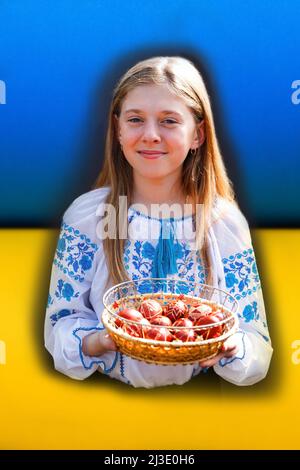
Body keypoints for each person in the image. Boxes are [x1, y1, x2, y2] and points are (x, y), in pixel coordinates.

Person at [44, 56, 273, 388]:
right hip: (107, 408)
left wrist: (234, 345)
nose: (150, 135)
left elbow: (256, 343)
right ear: (117, 130)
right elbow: (60, 325)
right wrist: (104, 340)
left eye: (169, 121)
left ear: (198, 134)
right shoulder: (88, 216)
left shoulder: (224, 224)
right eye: (135, 119)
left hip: (199, 414)